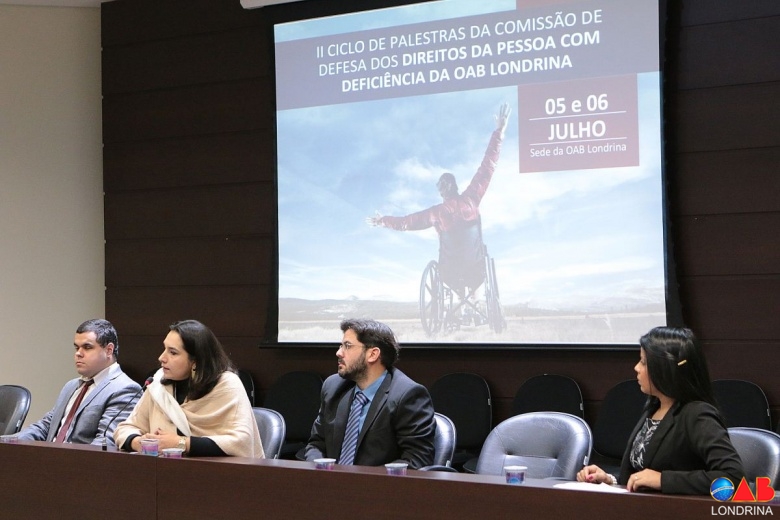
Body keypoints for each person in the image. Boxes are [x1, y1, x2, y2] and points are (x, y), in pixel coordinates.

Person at [577, 326, 745, 494]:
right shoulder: (654, 408)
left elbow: (733, 478)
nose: (636, 368)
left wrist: (663, 480)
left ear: (665, 368)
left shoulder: (697, 414)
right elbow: (642, 474)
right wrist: (609, 480)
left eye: (643, 362)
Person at [366, 103, 510, 294]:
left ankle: (461, 298)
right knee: (472, 261)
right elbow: (487, 167)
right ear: (455, 186)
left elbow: (406, 223)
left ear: (442, 191)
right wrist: (499, 132)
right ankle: (472, 297)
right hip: (476, 269)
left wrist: (382, 221)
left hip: (450, 273)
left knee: (451, 264)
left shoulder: (436, 213)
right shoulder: (472, 199)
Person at [114, 320, 264, 458]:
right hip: (161, 471)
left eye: (173, 352)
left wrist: (181, 443)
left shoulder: (227, 384)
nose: (162, 358)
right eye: (164, 349)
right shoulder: (158, 384)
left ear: (196, 361)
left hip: (218, 472)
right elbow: (126, 428)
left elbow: (241, 442)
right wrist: (138, 442)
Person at [305, 318, 435, 469]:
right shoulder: (333, 387)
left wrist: (363, 480)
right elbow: (316, 444)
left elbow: (416, 459)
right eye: (341, 345)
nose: (339, 352)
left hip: (380, 483)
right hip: (331, 480)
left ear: (373, 354)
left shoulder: (407, 395)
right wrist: (321, 472)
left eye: (347, 346)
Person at [16, 319, 141, 446]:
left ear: (109, 350)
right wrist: (10, 441)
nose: (78, 354)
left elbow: (105, 443)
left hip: (80, 458)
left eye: (87, 347)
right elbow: (46, 425)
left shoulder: (125, 389)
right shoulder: (71, 386)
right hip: (50, 454)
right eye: (77, 347)